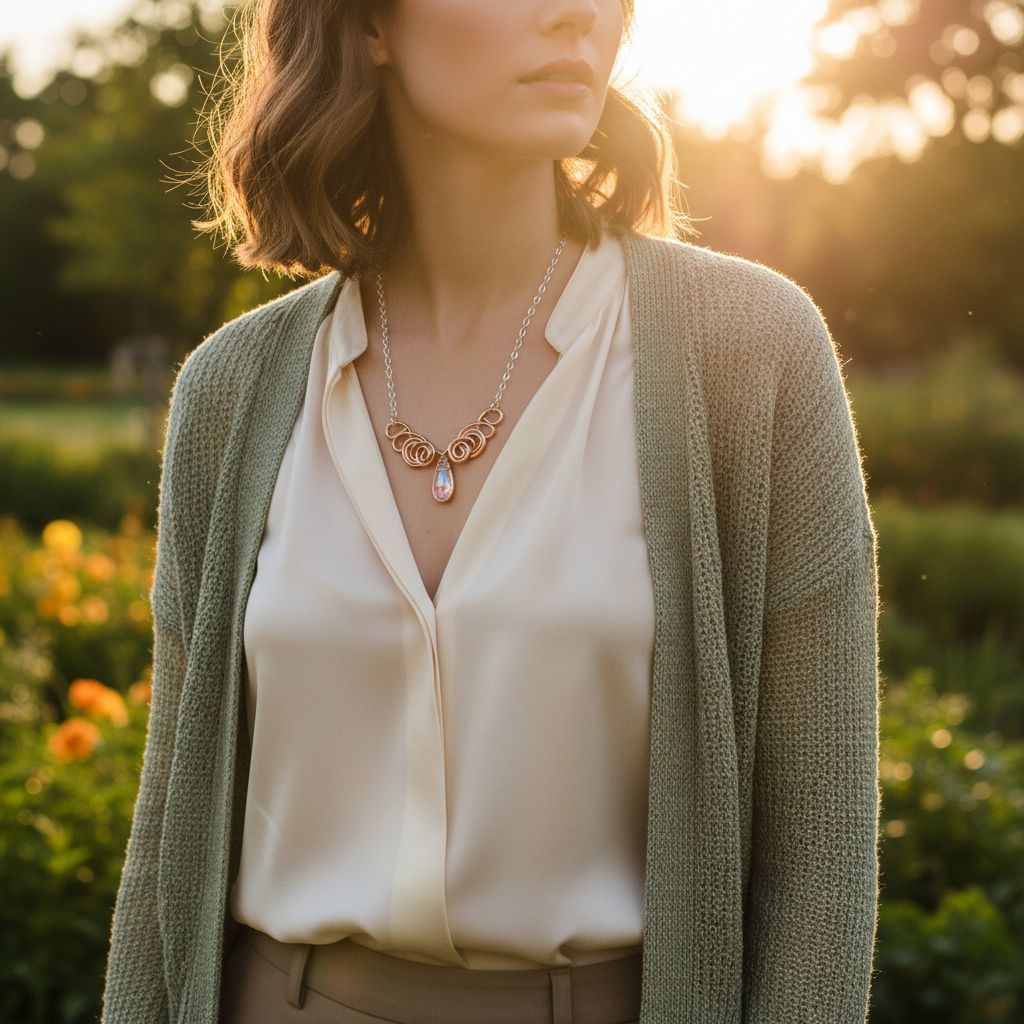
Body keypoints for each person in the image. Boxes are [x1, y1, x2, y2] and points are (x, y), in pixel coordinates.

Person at [100, 1, 882, 1023]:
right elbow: (171, 827)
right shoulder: (232, 390)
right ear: (369, 25)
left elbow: (819, 852)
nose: (575, 14)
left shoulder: (752, 351)